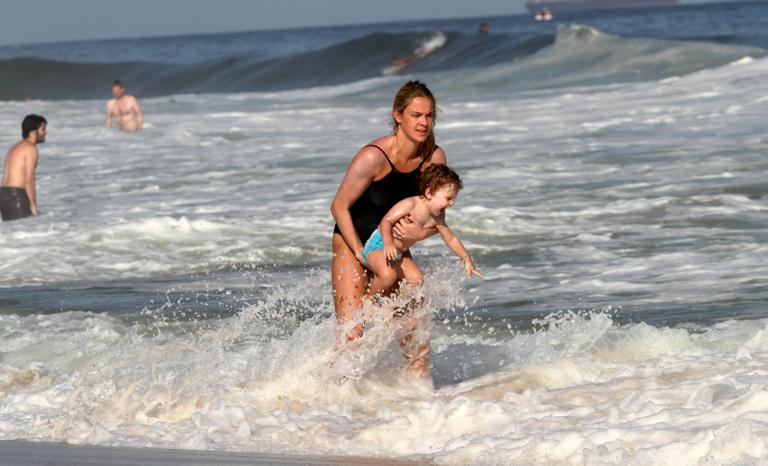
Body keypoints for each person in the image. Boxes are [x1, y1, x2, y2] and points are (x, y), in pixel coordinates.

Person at [330, 80, 447, 375]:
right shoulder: (373, 156)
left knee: (414, 332)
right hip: (351, 240)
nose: (424, 123)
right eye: (416, 115)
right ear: (398, 115)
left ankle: (420, 400)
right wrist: (358, 252)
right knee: (352, 335)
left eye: (429, 116)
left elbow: (431, 215)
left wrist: (414, 237)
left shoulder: (434, 159)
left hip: (389, 244)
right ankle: (330, 400)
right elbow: (339, 207)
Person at [361, 164, 482, 299]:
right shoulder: (411, 204)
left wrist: (466, 258)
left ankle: (397, 306)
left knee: (417, 280)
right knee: (389, 275)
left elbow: (451, 239)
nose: (452, 203)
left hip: (398, 254)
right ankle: (369, 300)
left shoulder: (439, 216)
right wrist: (388, 244)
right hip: (379, 247)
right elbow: (386, 221)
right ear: (429, 193)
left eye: (453, 199)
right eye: (448, 198)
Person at [1, 114, 46, 222]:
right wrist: (33, 205)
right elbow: (29, 179)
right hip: (17, 195)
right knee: (25, 233)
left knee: (14, 235)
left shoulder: (15, 147)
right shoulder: (31, 149)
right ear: (33, 131)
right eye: (43, 129)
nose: (45, 133)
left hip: (3, 194)